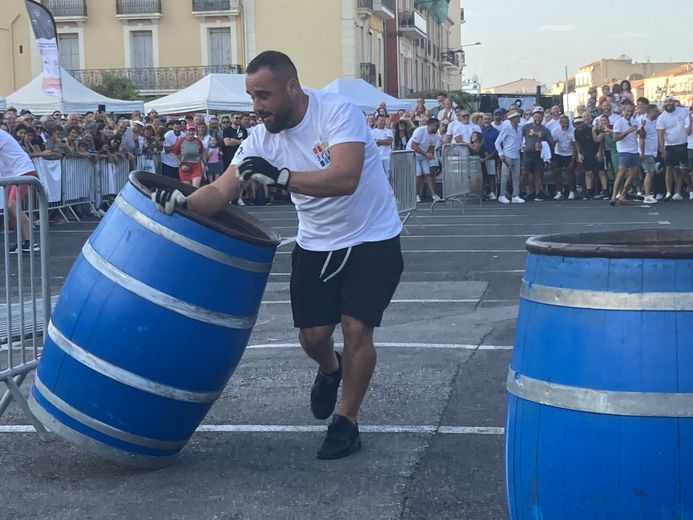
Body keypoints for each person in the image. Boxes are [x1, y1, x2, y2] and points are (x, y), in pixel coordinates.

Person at [151, 50, 403, 460]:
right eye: (251, 96)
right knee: (314, 336)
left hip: (371, 238)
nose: (256, 107)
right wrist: (182, 201)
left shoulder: (336, 111)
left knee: (358, 329)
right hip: (316, 243)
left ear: (291, 86)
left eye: (263, 95)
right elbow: (220, 191)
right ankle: (329, 369)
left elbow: (346, 177)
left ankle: (346, 422)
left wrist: (282, 177)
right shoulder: (259, 138)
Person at [0, 129, 40, 252]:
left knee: (12, 205)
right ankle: (23, 241)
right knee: (9, 208)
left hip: (23, 171)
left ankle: (31, 241)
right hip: (12, 174)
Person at [657, 96, 690, 201]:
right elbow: (660, 134)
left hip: (684, 144)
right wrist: (662, 149)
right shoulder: (662, 117)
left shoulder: (684, 111)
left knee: (682, 170)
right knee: (669, 168)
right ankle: (668, 192)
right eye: (666, 101)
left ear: (674, 102)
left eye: (670, 101)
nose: (668, 103)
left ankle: (678, 191)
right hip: (670, 146)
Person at [610, 103, 641, 205]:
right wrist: (628, 131)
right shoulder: (618, 123)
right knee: (621, 173)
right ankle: (614, 196)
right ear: (623, 111)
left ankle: (623, 195)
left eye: (631, 111)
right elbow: (615, 138)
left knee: (633, 174)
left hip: (634, 150)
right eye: (627, 111)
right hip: (624, 151)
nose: (629, 113)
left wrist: (642, 128)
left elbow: (642, 135)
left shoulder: (635, 121)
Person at [521, 106, 554, 201]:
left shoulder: (545, 130)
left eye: (540, 117)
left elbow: (551, 142)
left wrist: (543, 144)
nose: (538, 119)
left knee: (538, 174)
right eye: (536, 116)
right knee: (524, 173)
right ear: (533, 116)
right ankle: (523, 192)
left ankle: (537, 193)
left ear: (543, 117)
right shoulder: (526, 127)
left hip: (538, 155)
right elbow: (519, 138)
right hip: (527, 154)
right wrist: (522, 146)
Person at [408, 117, 442, 203]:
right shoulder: (420, 131)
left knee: (428, 173)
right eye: (436, 126)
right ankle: (416, 194)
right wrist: (426, 154)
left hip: (423, 154)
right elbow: (413, 146)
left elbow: (431, 147)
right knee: (418, 173)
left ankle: (434, 194)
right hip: (413, 154)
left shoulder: (435, 136)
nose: (437, 128)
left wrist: (430, 153)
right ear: (430, 125)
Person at [494, 110, 524, 204]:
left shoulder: (520, 128)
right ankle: (501, 195)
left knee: (516, 176)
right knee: (505, 176)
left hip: (517, 155)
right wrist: (501, 154)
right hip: (507, 155)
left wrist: (523, 146)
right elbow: (497, 142)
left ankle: (515, 195)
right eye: (517, 117)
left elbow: (521, 140)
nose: (519, 118)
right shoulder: (506, 128)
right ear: (512, 119)